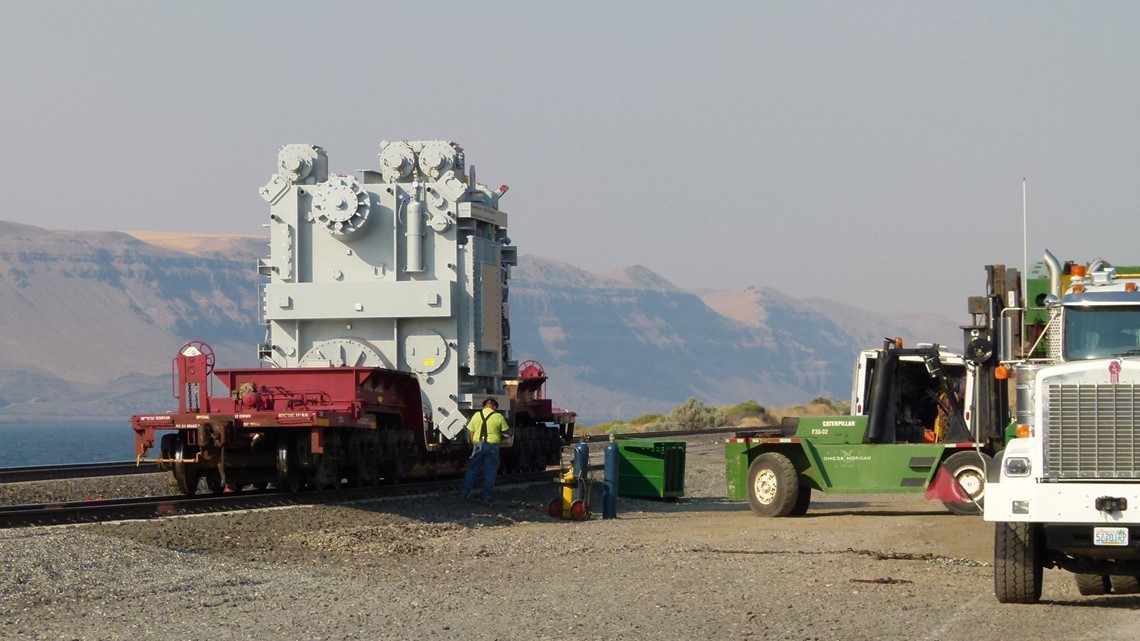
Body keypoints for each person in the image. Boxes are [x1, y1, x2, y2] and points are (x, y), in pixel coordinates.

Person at [459, 397, 510, 505]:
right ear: (495, 407)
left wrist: (474, 443)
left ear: (484, 406)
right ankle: (487, 496)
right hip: (492, 446)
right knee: (490, 471)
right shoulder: (498, 416)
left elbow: (471, 430)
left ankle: (464, 493)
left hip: (478, 445)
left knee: (473, 469)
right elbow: (507, 431)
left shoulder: (477, 415)